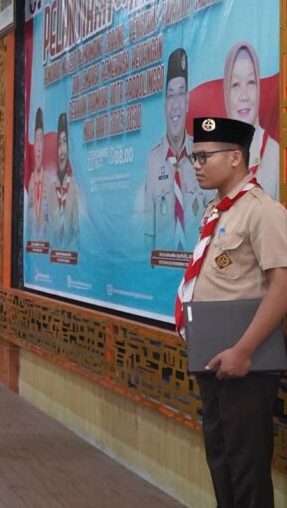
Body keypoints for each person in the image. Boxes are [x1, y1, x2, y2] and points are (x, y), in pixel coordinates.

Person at [179, 116, 287, 508]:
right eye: (194, 157)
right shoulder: (217, 211)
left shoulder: (262, 211)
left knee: (247, 469)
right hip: (214, 357)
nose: (197, 165)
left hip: (246, 363)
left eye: (205, 156)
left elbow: (282, 287)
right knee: (222, 462)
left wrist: (243, 351)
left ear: (236, 157)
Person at [141, 48, 203, 253]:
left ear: (187, 102)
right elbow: (148, 232)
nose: (175, 104)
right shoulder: (153, 159)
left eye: (181, 94)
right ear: (165, 104)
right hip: (162, 266)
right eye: (171, 95)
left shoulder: (202, 154)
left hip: (195, 266)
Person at [223, 41, 279, 197]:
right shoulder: (216, 157)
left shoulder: (276, 154)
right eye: (235, 84)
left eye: (251, 82)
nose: (244, 96)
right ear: (226, 93)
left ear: (259, 88)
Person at [47, 112, 79, 250]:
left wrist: (67, 254)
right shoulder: (51, 189)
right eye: (59, 144)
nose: (61, 150)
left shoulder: (75, 186)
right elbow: (48, 230)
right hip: (53, 258)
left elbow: (78, 232)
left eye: (64, 142)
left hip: (70, 257)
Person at [26, 107, 48, 241]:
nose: (38, 147)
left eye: (41, 140)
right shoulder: (31, 181)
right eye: (36, 140)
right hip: (33, 246)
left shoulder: (50, 181)